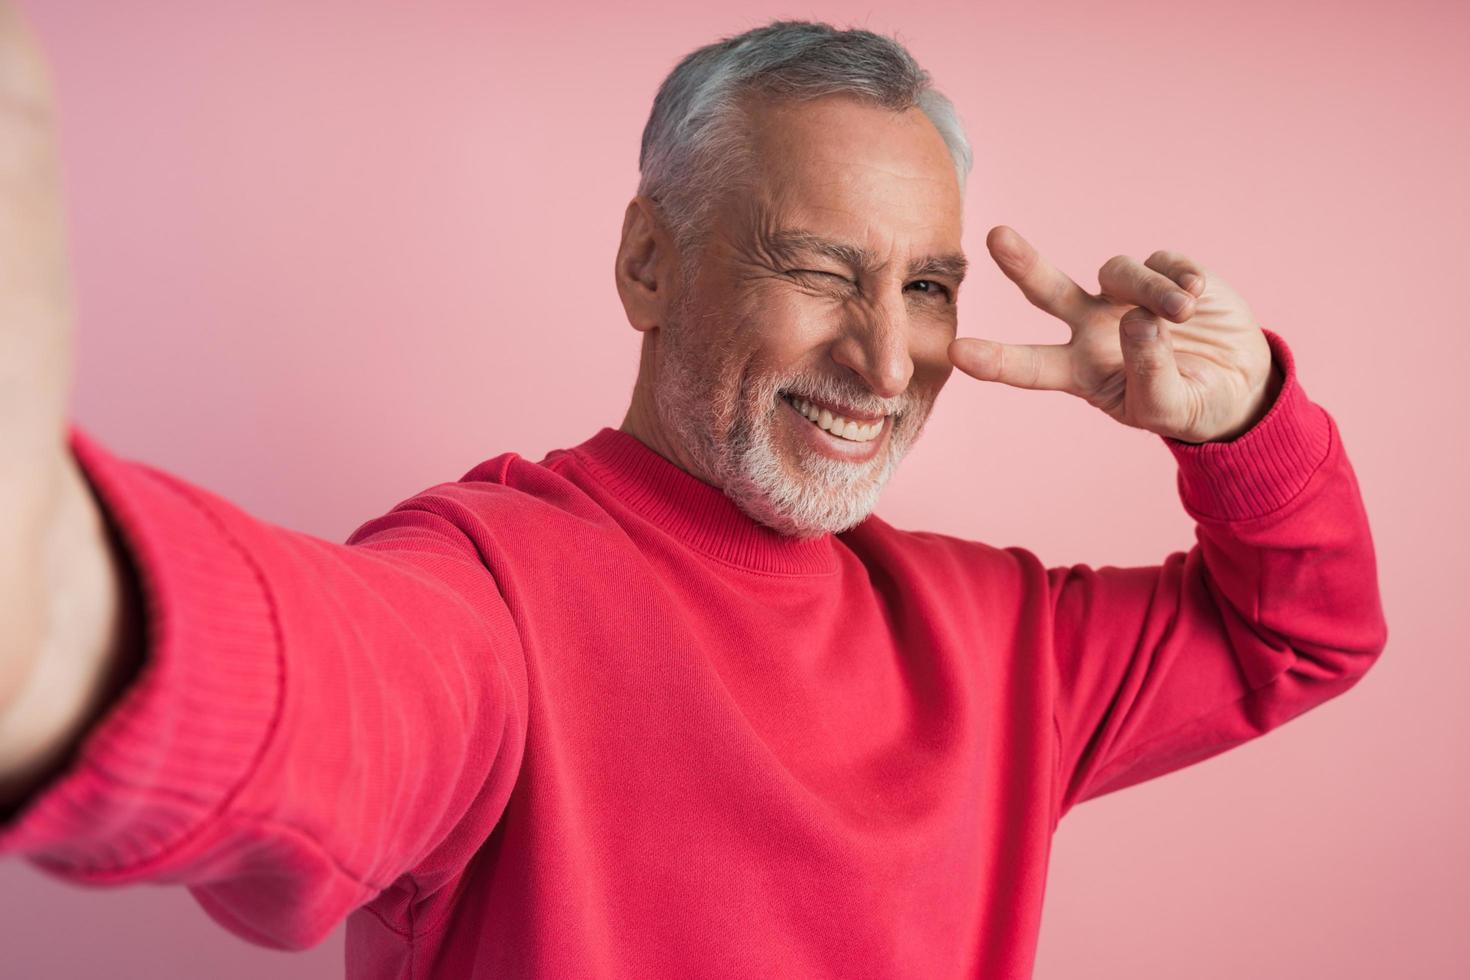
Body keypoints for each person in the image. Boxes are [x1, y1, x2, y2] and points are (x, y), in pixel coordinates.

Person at [0, 11, 1387, 980]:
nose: (885, 355)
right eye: (820, 272)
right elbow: (334, 695)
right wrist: (60, 614)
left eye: (924, 285)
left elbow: (1300, 633)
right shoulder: (490, 593)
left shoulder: (999, 636)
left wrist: (1245, 422)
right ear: (649, 268)